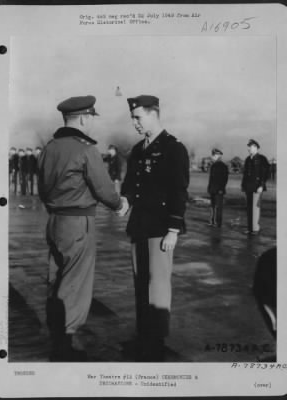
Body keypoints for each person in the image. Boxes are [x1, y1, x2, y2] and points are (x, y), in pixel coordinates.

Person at [37, 95, 128, 361]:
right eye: (91, 119)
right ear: (84, 118)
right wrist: (119, 204)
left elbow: (42, 188)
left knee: (56, 280)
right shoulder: (85, 149)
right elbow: (103, 189)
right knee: (75, 283)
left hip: (54, 221)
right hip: (79, 223)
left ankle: (58, 337)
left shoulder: (49, 148)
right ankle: (64, 346)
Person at [120, 95, 190, 361]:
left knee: (158, 284)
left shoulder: (174, 148)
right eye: (132, 118)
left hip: (161, 227)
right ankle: (144, 335)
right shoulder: (138, 150)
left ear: (153, 114)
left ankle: (156, 341)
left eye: (138, 117)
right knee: (140, 283)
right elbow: (130, 186)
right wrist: (124, 201)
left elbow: (178, 190)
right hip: (138, 225)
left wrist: (174, 229)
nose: (134, 123)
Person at [241, 139, 269, 235]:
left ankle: (255, 228)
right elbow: (245, 174)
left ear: (256, 147)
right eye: (248, 147)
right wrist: (243, 185)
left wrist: (261, 185)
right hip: (248, 187)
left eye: (251, 147)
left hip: (257, 187)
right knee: (249, 208)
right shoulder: (248, 159)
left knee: (255, 208)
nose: (249, 149)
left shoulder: (262, 159)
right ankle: (250, 228)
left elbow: (265, 173)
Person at [207, 148, 229, 228]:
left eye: (214, 155)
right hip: (213, 189)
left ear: (219, 156)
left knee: (218, 207)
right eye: (213, 155)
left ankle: (217, 222)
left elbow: (224, 179)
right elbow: (211, 179)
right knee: (212, 206)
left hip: (219, 190)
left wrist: (221, 189)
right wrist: (209, 188)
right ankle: (212, 221)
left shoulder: (223, 166)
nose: (213, 157)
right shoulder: (213, 165)